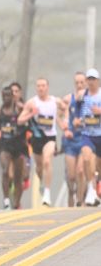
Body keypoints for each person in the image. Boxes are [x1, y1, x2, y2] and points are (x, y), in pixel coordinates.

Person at [17, 78, 67, 206]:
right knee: (39, 168)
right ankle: (42, 183)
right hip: (37, 138)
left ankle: (47, 194)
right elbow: (19, 120)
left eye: (43, 85)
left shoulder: (55, 101)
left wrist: (63, 119)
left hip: (50, 138)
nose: (41, 88)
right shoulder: (32, 103)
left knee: (47, 161)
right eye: (38, 86)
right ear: (36, 88)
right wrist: (31, 114)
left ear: (47, 87)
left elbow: (66, 108)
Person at [0, 86, 26, 209]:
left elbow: (28, 123)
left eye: (8, 96)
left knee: (18, 176)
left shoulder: (19, 109)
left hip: (19, 145)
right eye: (3, 96)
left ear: (13, 96)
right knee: (5, 171)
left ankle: (16, 202)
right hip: (5, 145)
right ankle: (5, 200)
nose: (6, 98)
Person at [62, 72, 87, 207]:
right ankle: (71, 193)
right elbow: (58, 115)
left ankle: (80, 199)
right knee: (71, 176)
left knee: (81, 171)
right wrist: (65, 128)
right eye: (77, 82)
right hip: (71, 142)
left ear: (86, 83)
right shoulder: (68, 99)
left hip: (85, 139)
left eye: (82, 82)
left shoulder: (92, 99)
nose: (79, 85)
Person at [77, 68, 101, 206]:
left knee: (99, 166)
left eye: (93, 79)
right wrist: (76, 120)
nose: (91, 82)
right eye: (89, 79)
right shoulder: (82, 95)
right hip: (87, 134)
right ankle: (91, 190)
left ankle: (97, 185)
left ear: (98, 81)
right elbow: (74, 109)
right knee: (86, 157)